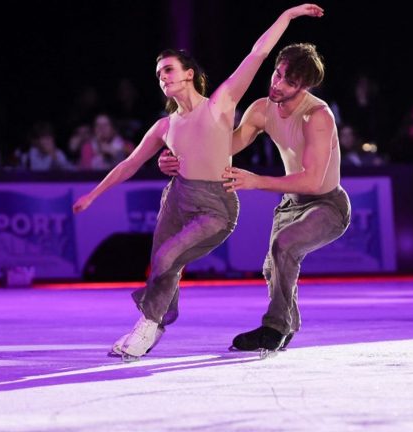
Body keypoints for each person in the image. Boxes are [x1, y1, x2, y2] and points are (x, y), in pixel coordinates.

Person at [73, 4, 324, 361]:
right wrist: (93, 195)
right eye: (159, 73)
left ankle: (150, 322)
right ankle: (151, 322)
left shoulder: (220, 104)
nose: (163, 76)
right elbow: (130, 163)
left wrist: (288, 15)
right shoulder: (165, 126)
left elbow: (259, 52)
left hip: (217, 206)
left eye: (170, 69)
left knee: (167, 257)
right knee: (162, 261)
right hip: (177, 197)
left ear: (189, 73)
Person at [159, 41, 351, 355]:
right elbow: (226, 147)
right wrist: (177, 157)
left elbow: (314, 181)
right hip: (290, 205)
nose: (278, 84)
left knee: (284, 245)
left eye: (290, 82)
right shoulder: (262, 109)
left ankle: (275, 327)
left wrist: (255, 181)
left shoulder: (317, 116)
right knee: (273, 267)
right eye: (277, 74)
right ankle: (288, 325)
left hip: (327, 205)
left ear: (304, 86)